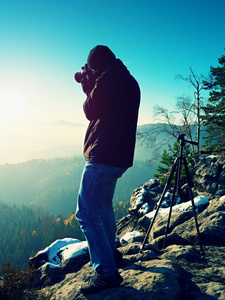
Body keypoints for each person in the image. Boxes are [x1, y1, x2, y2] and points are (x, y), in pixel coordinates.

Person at [75, 45, 140, 294]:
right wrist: (93, 83)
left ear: (97, 65)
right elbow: (109, 109)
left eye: (91, 67)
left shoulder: (107, 79)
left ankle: (106, 273)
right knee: (102, 208)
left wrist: (88, 85)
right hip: (120, 157)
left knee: (86, 214)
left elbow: (91, 111)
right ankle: (111, 253)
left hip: (102, 156)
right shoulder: (129, 80)